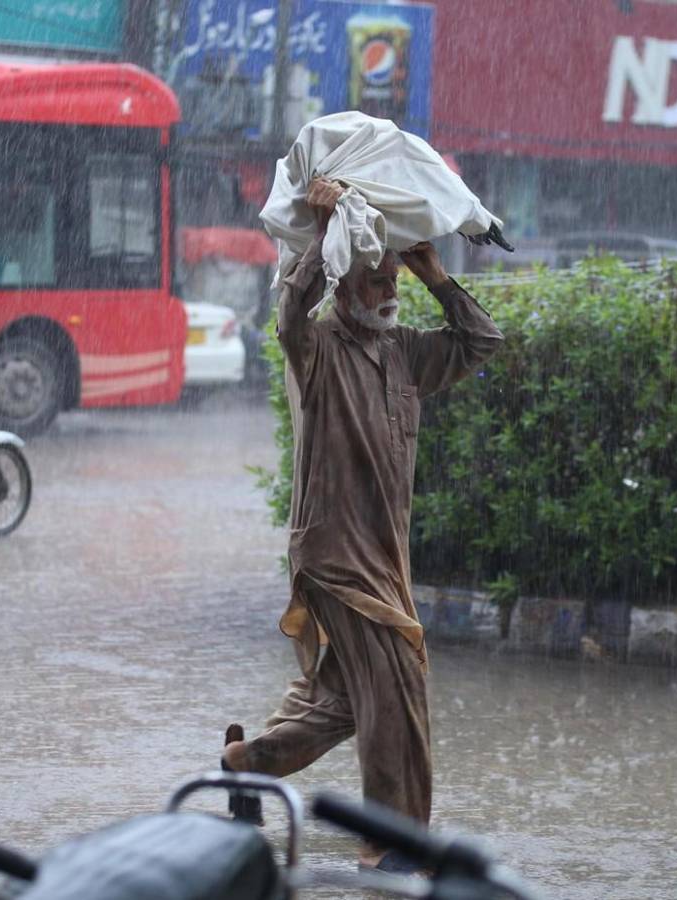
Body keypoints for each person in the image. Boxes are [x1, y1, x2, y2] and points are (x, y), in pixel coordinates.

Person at [221, 178, 504, 872]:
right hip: (336, 555)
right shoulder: (316, 348)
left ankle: (244, 764)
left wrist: (434, 272)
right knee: (399, 683)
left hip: (386, 558)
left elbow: (480, 341)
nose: (387, 289)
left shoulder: (405, 351)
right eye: (375, 279)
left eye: (392, 277)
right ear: (344, 286)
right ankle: (391, 844)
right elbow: (288, 312)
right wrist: (324, 236)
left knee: (347, 701)